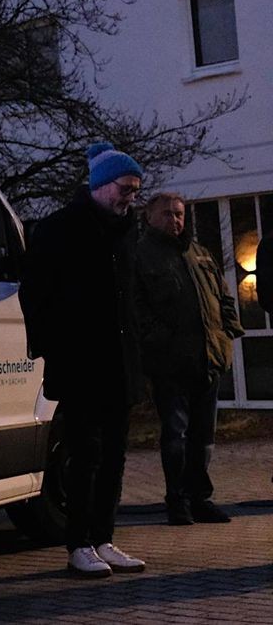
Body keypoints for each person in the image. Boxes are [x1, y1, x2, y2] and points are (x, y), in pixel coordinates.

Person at [20, 142, 147, 578]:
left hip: (119, 363)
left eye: (135, 190)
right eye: (125, 188)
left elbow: (133, 295)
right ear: (101, 185)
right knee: (85, 454)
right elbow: (35, 294)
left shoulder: (126, 231)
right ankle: (79, 543)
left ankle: (103, 538)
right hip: (81, 366)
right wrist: (57, 347)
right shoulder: (60, 230)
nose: (131, 197)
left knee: (114, 455)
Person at [132, 192, 243, 525]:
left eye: (179, 214)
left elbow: (224, 296)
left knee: (203, 436)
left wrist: (227, 333)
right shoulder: (141, 256)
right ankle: (177, 500)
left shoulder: (199, 253)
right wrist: (159, 341)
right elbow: (137, 309)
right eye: (167, 214)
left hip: (207, 358)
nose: (175, 220)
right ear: (149, 217)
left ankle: (200, 497)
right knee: (176, 434)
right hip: (171, 364)